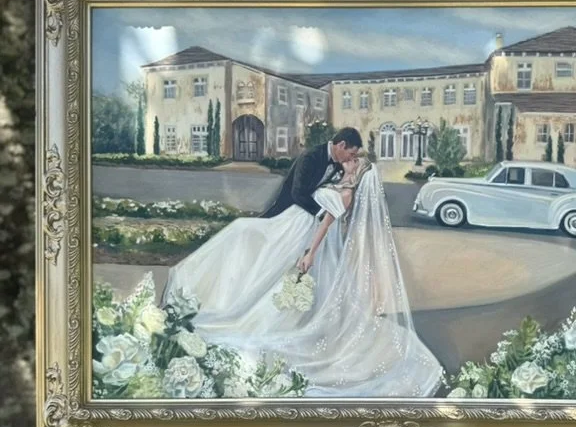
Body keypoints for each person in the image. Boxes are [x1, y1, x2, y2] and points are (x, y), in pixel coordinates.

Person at [163, 134, 442, 399]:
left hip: (305, 236)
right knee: (242, 238)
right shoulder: (334, 177)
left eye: (355, 161)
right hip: (292, 225)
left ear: (358, 173)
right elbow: (303, 195)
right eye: (352, 155)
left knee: (277, 280)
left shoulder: (345, 193)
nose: (351, 160)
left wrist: (310, 253)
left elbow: (325, 225)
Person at [260, 126, 363, 219]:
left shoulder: (340, 166)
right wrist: (323, 214)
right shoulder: (310, 156)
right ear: (341, 145)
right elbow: (298, 193)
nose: (352, 158)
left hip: (311, 215)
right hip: (289, 210)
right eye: (351, 154)